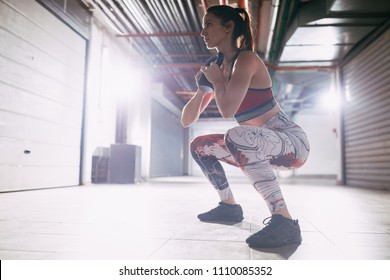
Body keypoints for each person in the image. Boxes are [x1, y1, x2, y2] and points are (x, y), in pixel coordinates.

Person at [181, 5, 310, 248]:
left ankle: (284, 220)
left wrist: (218, 81)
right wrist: (202, 89)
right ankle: (229, 207)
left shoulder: (247, 59)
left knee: (237, 135)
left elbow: (228, 109)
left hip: (292, 143)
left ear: (228, 27)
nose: (203, 32)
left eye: (209, 24)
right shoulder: (216, 66)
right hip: (258, 144)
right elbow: (187, 120)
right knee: (200, 145)